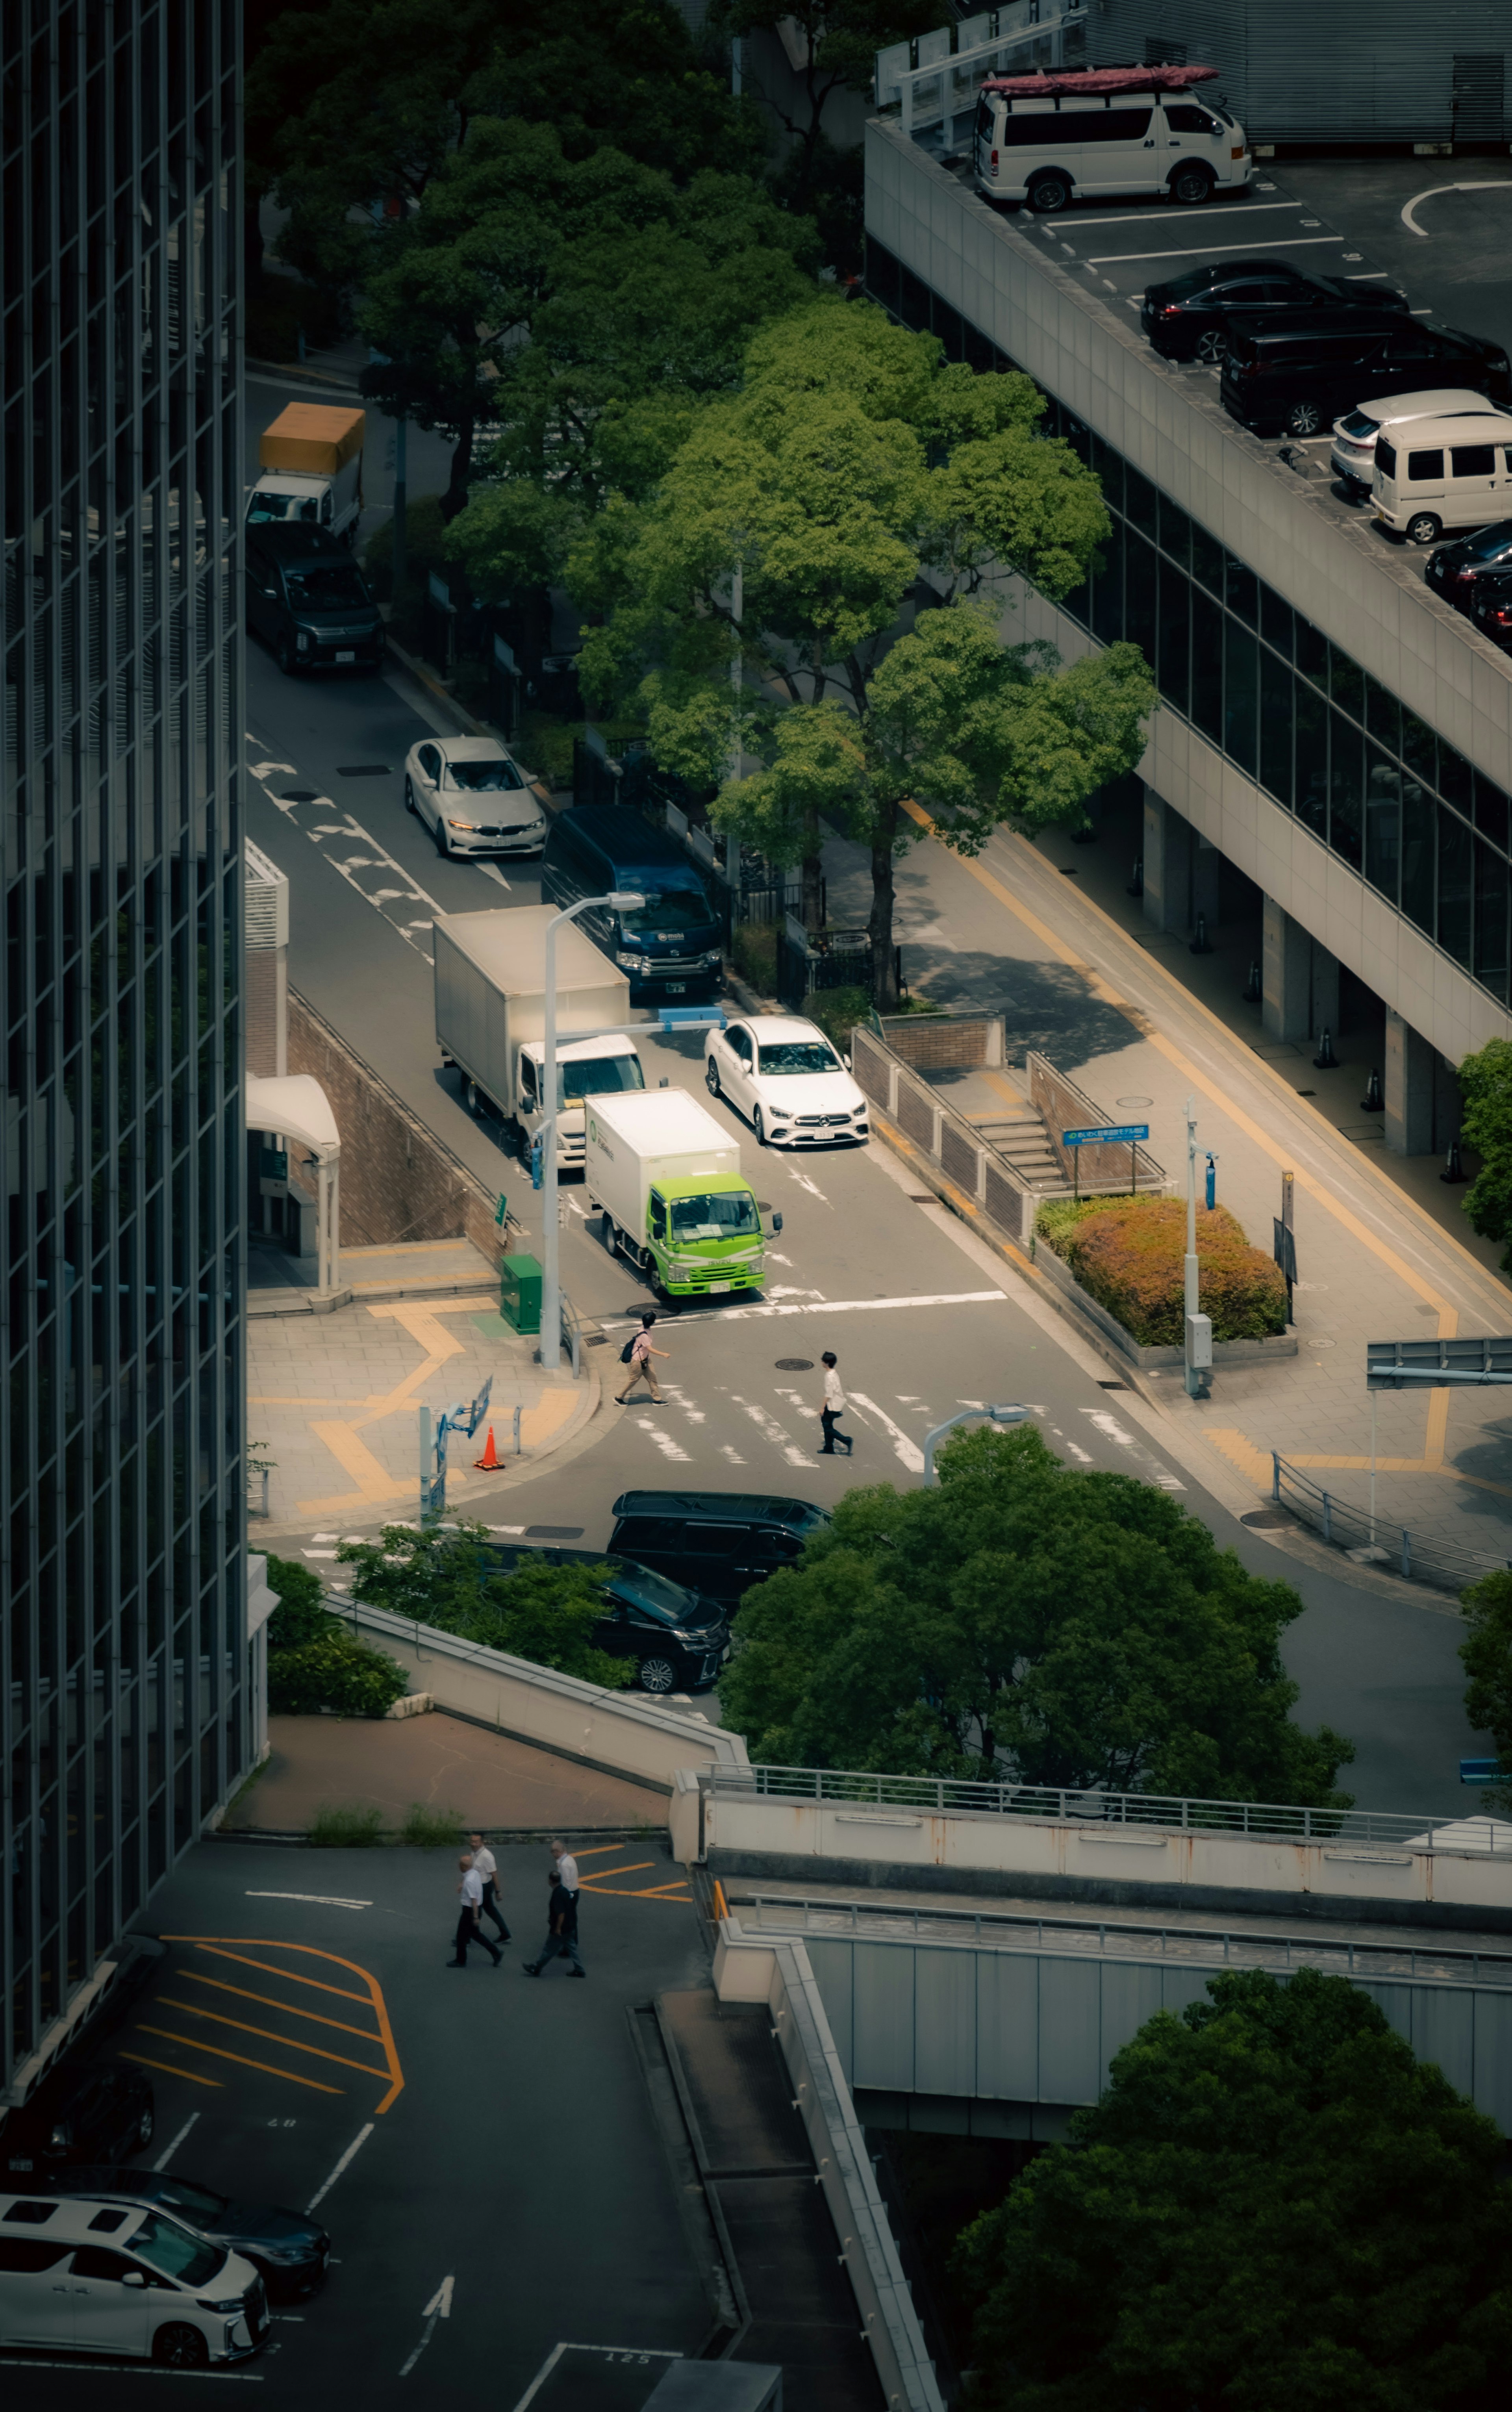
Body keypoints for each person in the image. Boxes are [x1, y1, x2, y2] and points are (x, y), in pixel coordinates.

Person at [522, 1872, 586, 1978]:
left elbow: (561, 1914)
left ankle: (536, 1968)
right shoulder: (565, 1891)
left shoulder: (557, 1894)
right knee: (572, 1948)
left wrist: (558, 1928)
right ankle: (579, 1969)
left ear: (551, 1881)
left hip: (562, 1928)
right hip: (570, 1926)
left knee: (549, 1949)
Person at [448, 1852, 502, 1969]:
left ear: (463, 1867)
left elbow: (474, 1900)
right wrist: (462, 1884)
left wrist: (476, 1917)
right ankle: (496, 1952)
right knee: (476, 1934)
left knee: (461, 1937)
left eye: (460, 1865)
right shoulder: (475, 1874)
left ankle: (461, 1961)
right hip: (474, 1910)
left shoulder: (470, 1882)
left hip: (470, 1911)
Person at [615, 1310, 669, 1405]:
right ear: (652, 1322)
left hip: (646, 1360)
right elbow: (650, 1349)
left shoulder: (645, 1328)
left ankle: (657, 1399)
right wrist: (663, 1354)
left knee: (653, 1379)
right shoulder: (644, 1335)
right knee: (633, 1380)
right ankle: (619, 1398)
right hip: (638, 1362)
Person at [468, 1831, 510, 1942]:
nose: (473, 1844)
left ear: (482, 1842)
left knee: (475, 1911)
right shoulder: (474, 1853)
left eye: (476, 1842)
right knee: (491, 1910)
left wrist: (498, 1891)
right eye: (472, 1841)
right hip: (479, 1886)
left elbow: (494, 1874)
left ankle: (468, 1938)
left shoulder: (487, 1856)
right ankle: (505, 1933)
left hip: (483, 1888)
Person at [818, 1351, 853, 1456]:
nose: (822, 1362)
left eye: (823, 1361)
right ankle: (829, 1448)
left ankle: (847, 1440)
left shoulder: (829, 1376)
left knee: (827, 1427)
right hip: (836, 1403)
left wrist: (822, 1408)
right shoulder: (834, 1373)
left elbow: (829, 1394)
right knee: (828, 1425)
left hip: (831, 1405)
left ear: (827, 1363)